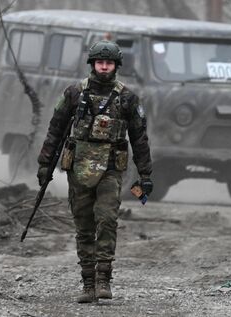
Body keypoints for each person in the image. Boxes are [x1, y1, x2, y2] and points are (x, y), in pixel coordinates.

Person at [37, 40, 153, 303]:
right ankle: (88, 283)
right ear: (92, 64)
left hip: (111, 167)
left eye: (108, 63)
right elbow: (55, 128)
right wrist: (44, 164)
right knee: (84, 224)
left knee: (107, 219)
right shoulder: (74, 93)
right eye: (100, 62)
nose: (104, 66)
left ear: (116, 66)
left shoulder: (127, 98)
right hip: (78, 166)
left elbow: (139, 138)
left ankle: (104, 279)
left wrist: (145, 174)